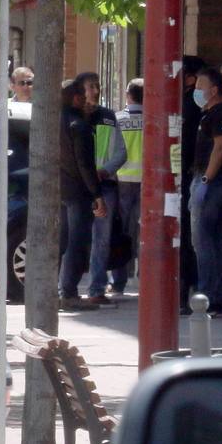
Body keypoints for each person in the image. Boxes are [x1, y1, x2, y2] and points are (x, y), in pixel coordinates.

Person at [189, 67, 222, 316]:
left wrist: (205, 180)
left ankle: (210, 295)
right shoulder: (208, 113)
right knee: (215, 239)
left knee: (203, 240)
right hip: (211, 181)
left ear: (214, 90)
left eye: (200, 87)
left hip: (216, 182)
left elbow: (220, 148)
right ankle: (216, 296)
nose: (196, 91)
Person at [77, 71, 126, 305]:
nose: (95, 91)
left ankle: (96, 288)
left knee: (102, 238)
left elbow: (121, 152)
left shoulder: (108, 116)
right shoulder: (72, 116)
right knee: (74, 236)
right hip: (78, 186)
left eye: (97, 86)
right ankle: (67, 287)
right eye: (90, 87)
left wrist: (104, 170)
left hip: (104, 185)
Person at [60, 78, 108, 311]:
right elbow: (85, 165)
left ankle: (63, 290)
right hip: (78, 192)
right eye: (82, 95)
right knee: (77, 244)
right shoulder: (78, 126)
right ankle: (68, 292)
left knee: (64, 242)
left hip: (60, 190)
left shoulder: (54, 122)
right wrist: (97, 194)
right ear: (76, 97)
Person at [111, 78, 144, 298]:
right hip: (146, 182)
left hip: (121, 181)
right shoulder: (152, 119)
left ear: (127, 95)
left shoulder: (117, 119)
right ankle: (145, 278)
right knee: (144, 232)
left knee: (120, 233)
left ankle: (119, 282)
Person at [179, 55, 206, 310]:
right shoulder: (183, 103)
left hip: (190, 175)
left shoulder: (192, 106)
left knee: (188, 238)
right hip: (186, 175)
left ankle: (190, 290)